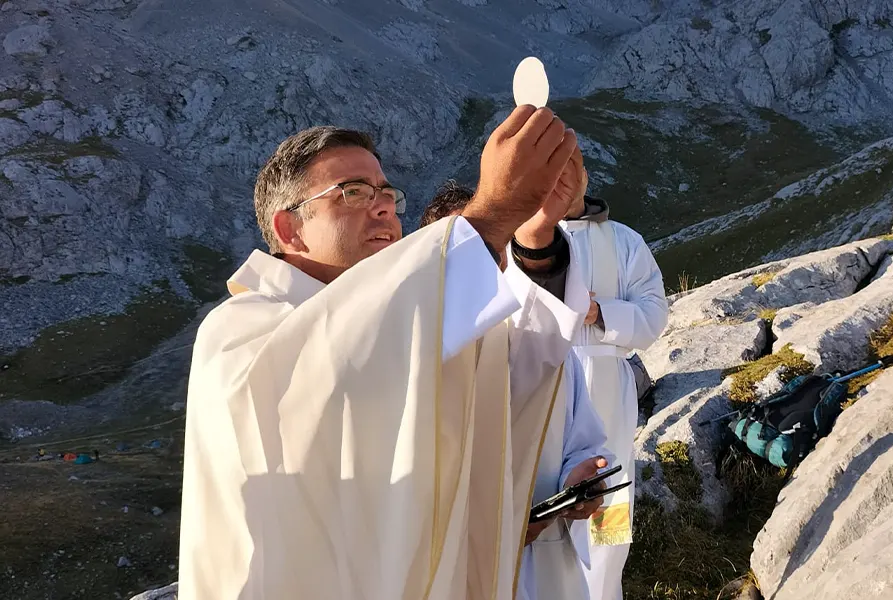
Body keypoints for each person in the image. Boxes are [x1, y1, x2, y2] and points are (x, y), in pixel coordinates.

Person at [178, 105, 595, 600]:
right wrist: (489, 217)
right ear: (289, 229)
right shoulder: (242, 330)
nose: (383, 208)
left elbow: (513, 373)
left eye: (387, 194)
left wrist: (535, 235)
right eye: (352, 193)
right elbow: (335, 375)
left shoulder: (412, 320)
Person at [420, 179, 611, 600]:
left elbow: (587, 442)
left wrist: (582, 480)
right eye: (468, 250)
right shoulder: (422, 357)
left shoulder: (546, 347)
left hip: (549, 565)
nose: (487, 264)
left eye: (495, 247)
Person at [561, 172, 668, 600]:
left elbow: (654, 314)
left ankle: (604, 590)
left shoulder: (623, 241)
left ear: (584, 177)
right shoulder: (522, 239)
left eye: (572, 170)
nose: (561, 181)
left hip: (607, 381)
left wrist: (599, 312)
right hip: (543, 383)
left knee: (612, 497)